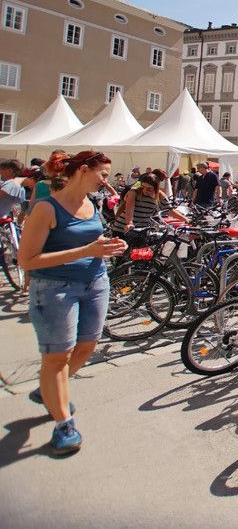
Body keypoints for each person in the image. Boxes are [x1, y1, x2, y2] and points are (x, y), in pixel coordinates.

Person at [17, 150, 128, 454]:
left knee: (87, 346)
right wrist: (86, 251)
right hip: (55, 287)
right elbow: (27, 260)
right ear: (82, 170)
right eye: (103, 175)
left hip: (95, 282)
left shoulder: (90, 204)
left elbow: (90, 242)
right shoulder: (46, 208)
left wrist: (109, 245)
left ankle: (50, 390)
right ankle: (64, 423)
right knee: (57, 357)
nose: (106, 181)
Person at [111, 173, 186, 234]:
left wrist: (186, 220)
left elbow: (170, 210)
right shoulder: (134, 192)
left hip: (141, 230)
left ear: (156, 188)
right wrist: (129, 223)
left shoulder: (160, 195)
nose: (144, 191)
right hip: (122, 229)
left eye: (149, 189)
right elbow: (129, 209)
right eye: (142, 187)